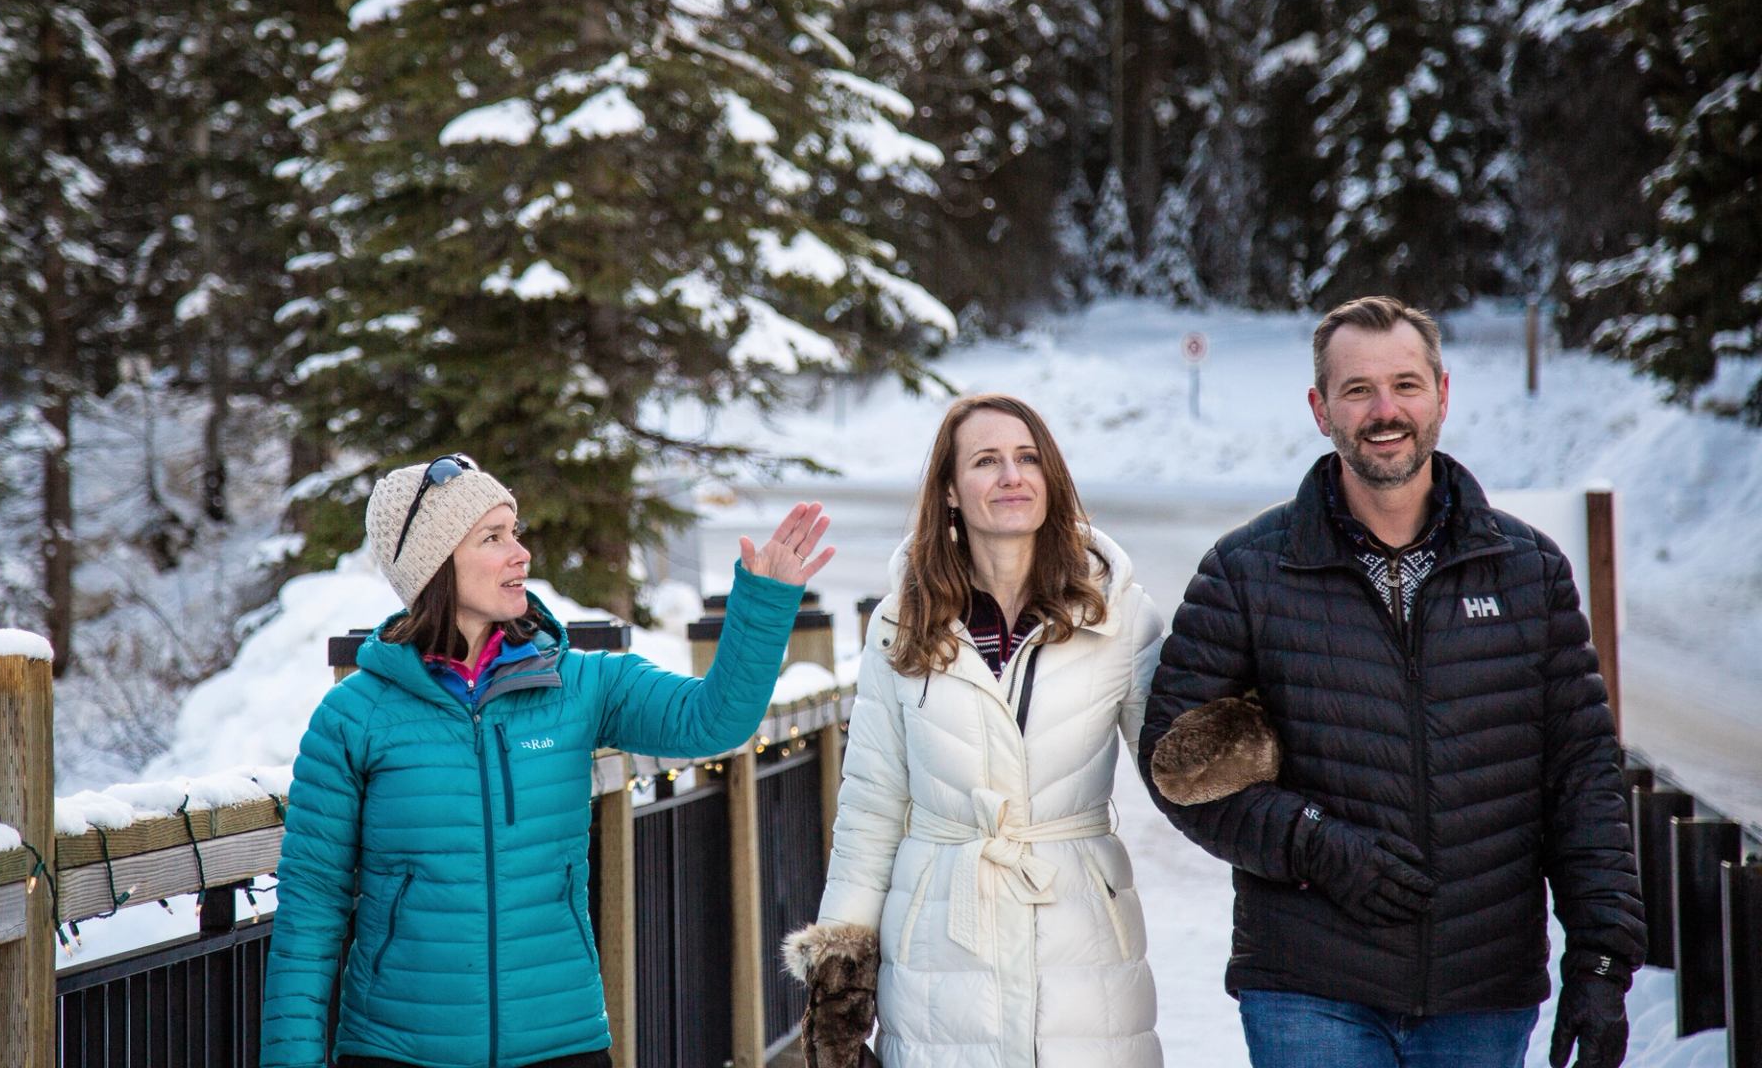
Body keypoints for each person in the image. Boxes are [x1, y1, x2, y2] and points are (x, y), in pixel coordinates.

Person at [1137, 296, 1645, 1068]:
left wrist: (1602, 959)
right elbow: (1175, 768)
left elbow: (1582, 776)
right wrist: (1316, 844)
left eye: (1406, 385)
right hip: (1309, 983)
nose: (1384, 411)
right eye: (1357, 390)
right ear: (1320, 409)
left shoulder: (1529, 571)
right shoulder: (1247, 570)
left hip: (1483, 987)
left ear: (1443, 394)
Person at [261, 453, 834, 1068]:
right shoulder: (356, 715)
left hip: (561, 1041)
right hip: (399, 1048)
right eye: (493, 537)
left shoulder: (578, 684)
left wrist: (765, 602)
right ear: (435, 566)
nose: (520, 553)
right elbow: (310, 911)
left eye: (516, 533)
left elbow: (713, 719)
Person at [786, 393, 1166, 1068]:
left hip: (1081, 941)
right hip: (939, 949)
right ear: (951, 492)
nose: (1011, 476)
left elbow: (1173, 766)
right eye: (986, 461)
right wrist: (839, 988)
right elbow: (872, 804)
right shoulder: (901, 622)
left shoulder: (1121, 615)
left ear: (1052, 479)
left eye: (1027, 459)